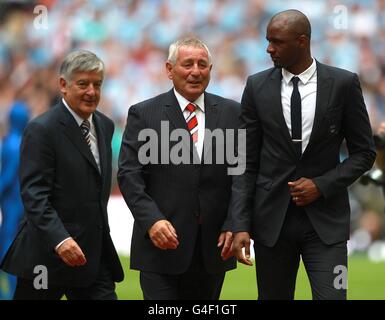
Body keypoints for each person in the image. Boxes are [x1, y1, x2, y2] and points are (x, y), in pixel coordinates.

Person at [231, 9, 376, 300]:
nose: (268, 48)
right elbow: (245, 162)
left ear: (302, 41)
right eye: (267, 40)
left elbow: (364, 153)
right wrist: (240, 224)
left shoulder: (344, 84)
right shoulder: (256, 86)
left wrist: (321, 185)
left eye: (277, 41)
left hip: (327, 226)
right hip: (272, 224)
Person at [118, 37, 238, 300]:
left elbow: (241, 175)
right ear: (170, 70)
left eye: (202, 64)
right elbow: (129, 175)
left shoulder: (233, 113)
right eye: (188, 64)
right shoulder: (144, 113)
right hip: (159, 246)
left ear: (210, 69)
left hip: (212, 248)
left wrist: (235, 222)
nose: (196, 71)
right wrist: (152, 220)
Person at [0, 50, 124, 300]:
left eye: (96, 84)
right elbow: (35, 195)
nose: (91, 91)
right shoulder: (41, 130)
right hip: (46, 256)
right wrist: (60, 240)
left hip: (91, 258)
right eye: (83, 84)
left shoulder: (105, 126)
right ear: (63, 86)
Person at [0, 101, 29, 299]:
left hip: (11, 203)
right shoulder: (27, 141)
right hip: (24, 202)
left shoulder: (10, 143)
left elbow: (8, 177)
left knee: (7, 247)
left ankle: (9, 293)